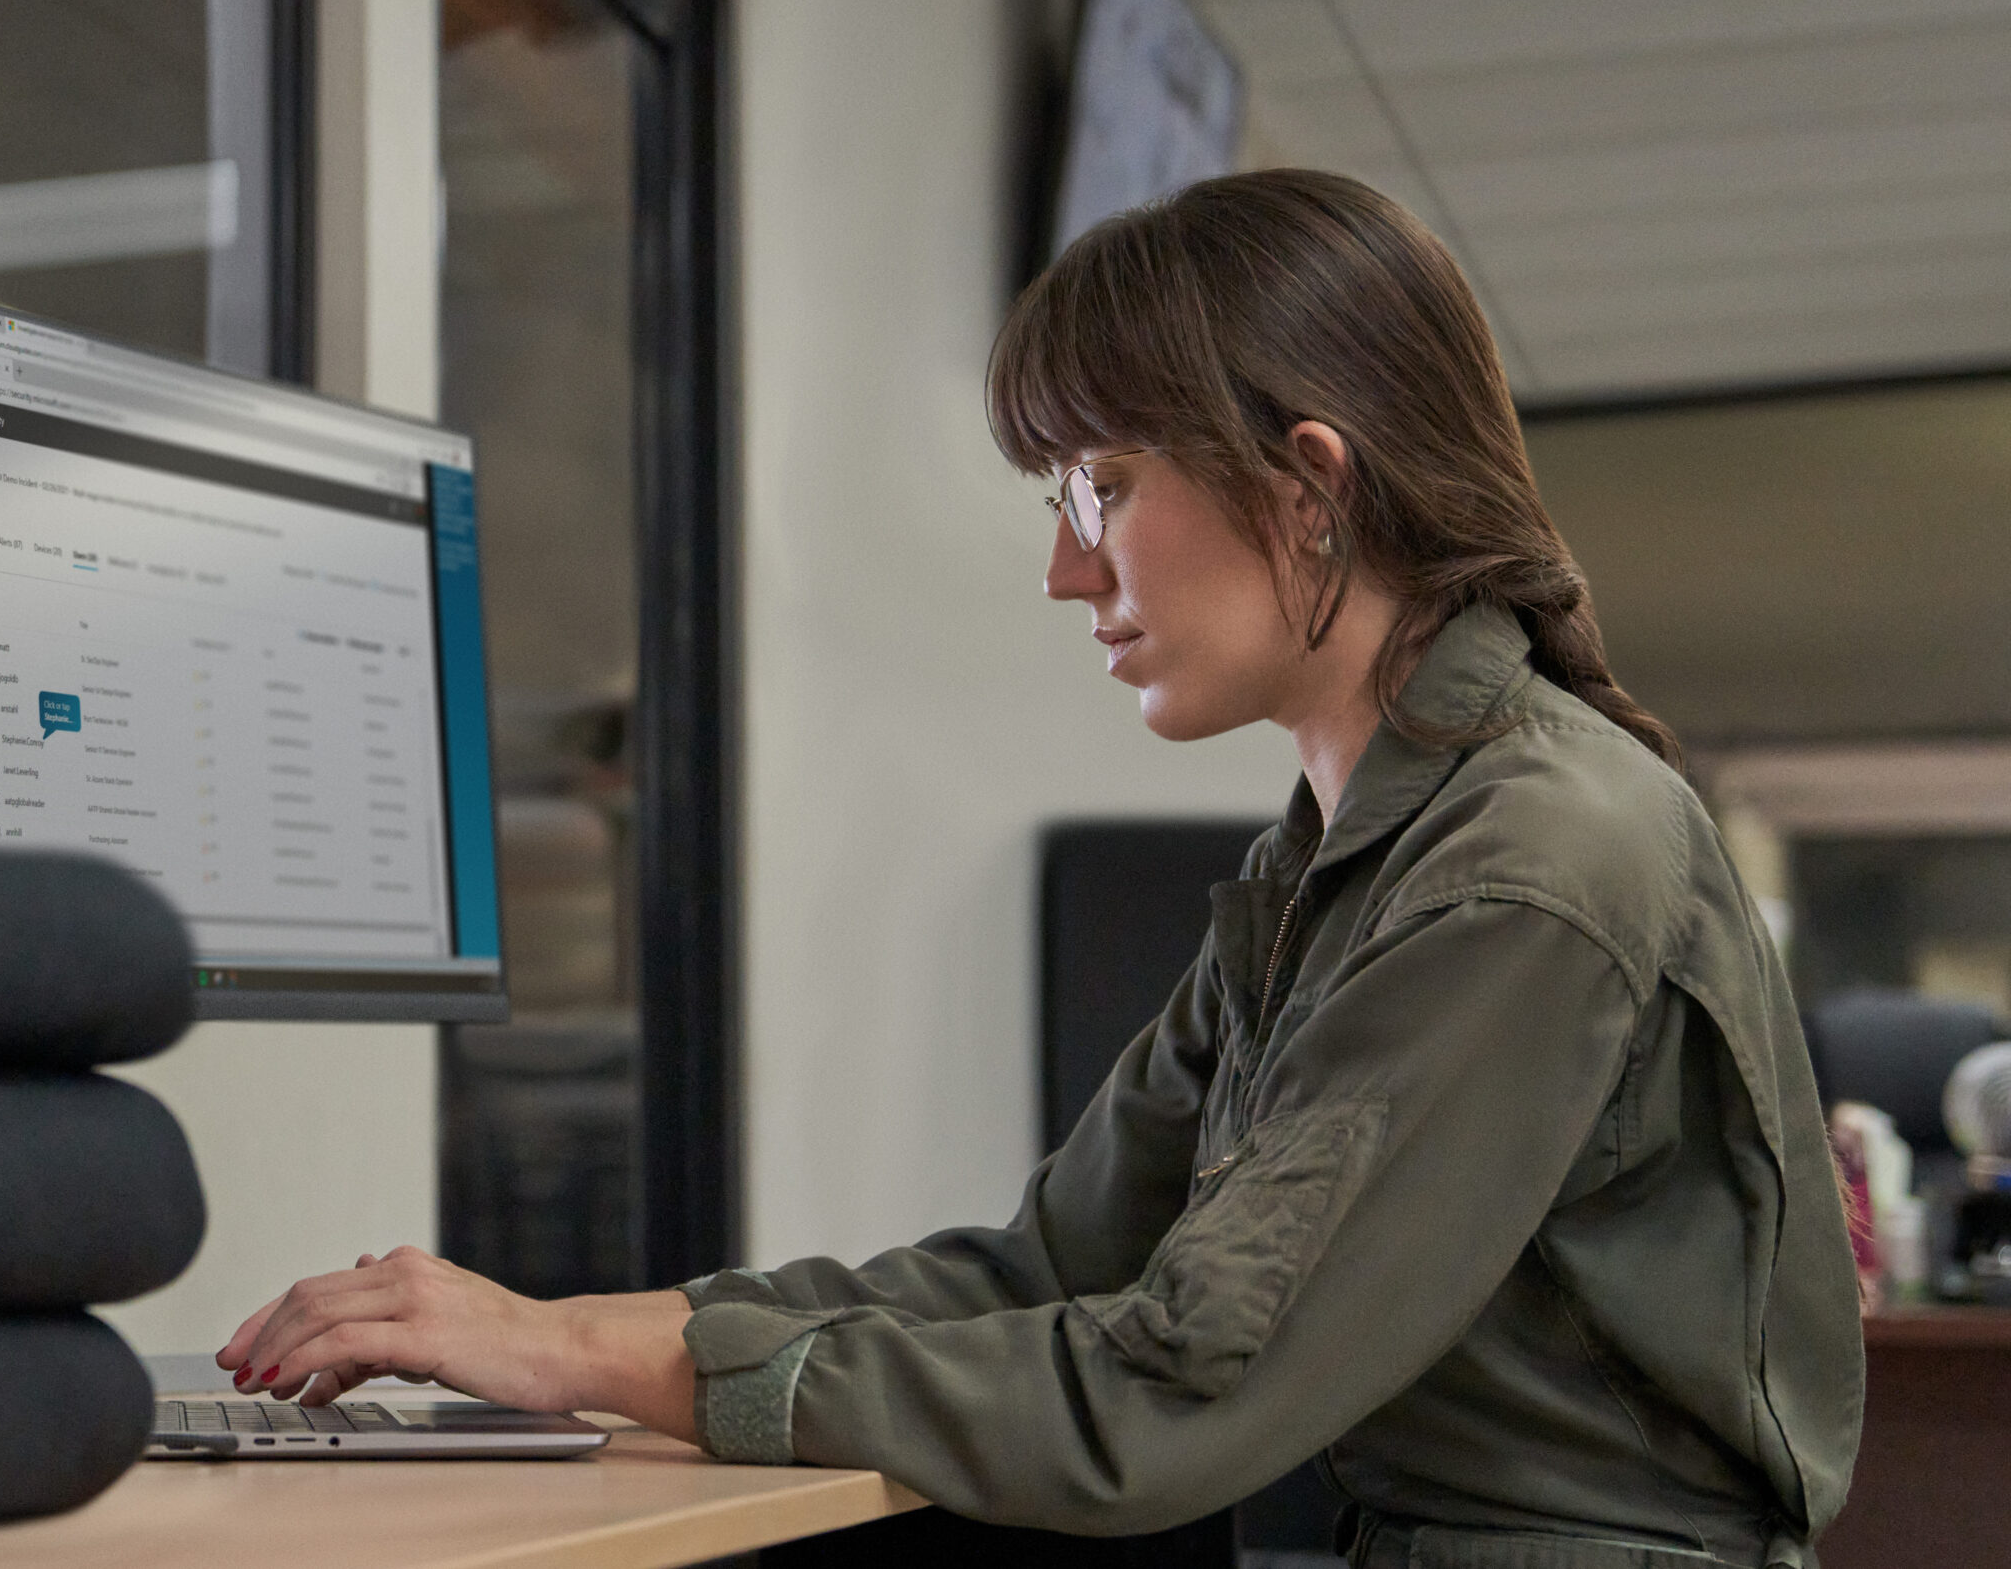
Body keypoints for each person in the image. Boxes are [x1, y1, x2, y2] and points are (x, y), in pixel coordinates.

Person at [216, 170, 1864, 1568]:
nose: (1067, 569)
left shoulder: (1525, 865)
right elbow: (1042, 1273)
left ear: (1309, 489)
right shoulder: (1340, 862)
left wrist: (581, 1356)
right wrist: (555, 1333)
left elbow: (1175, 1394)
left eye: (1102, 486)